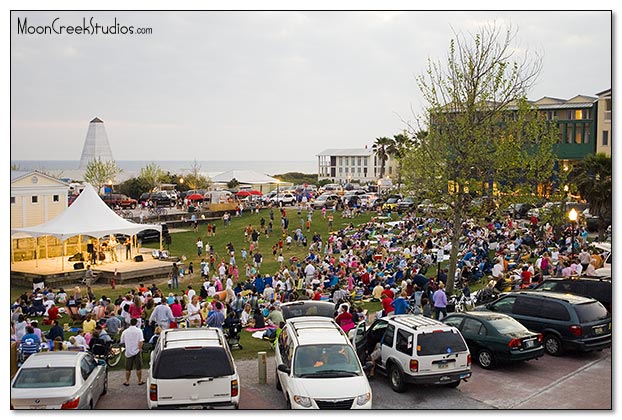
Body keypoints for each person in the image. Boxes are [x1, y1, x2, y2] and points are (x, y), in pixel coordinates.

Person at [119, 318, 145, 386]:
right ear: (136, 323)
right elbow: (141, 341)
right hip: (137, 351)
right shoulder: (139, 331)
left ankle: (127, 381)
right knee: (138, 367)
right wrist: (139, 349)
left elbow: (122, 342)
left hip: (128, 351)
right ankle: (139, 380)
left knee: (128, 368)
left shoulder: (125, 331)